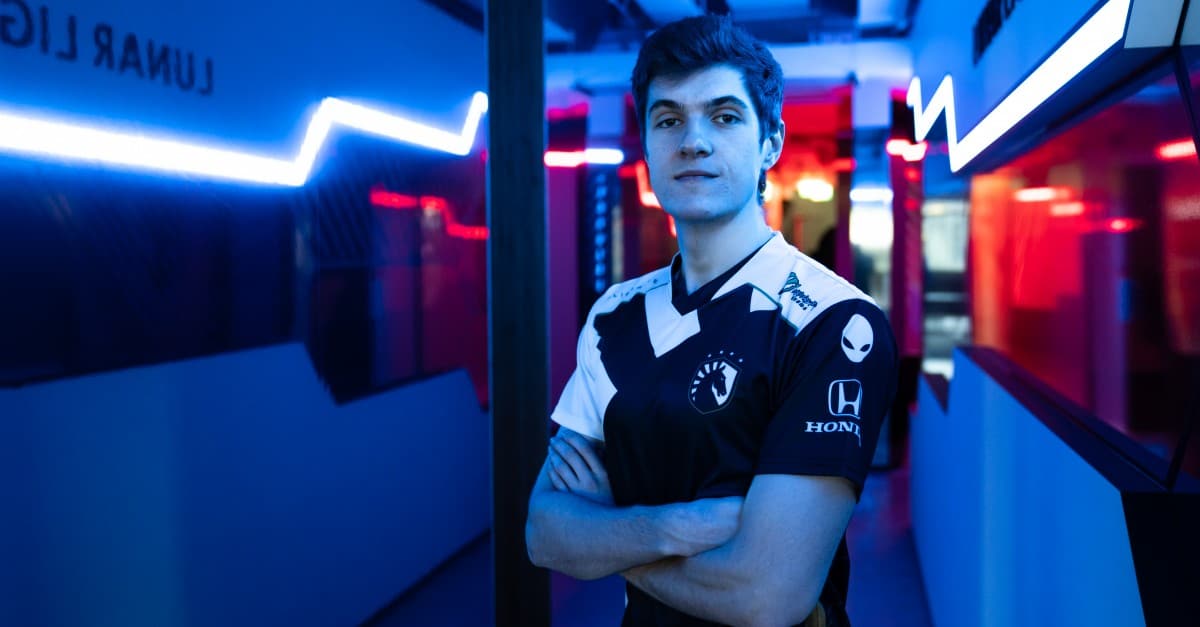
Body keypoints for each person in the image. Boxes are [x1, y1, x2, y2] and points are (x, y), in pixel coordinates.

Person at [526, 15, 897, 627]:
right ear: (647, 146)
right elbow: (545, 533)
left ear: (770, 143)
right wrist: (678, 525)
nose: (692, 141)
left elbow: (765, 598)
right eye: (668, 119)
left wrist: (605, 539)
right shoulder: (614, 316)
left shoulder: (833, 324)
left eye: (724, 117)